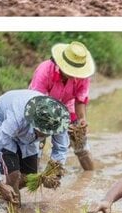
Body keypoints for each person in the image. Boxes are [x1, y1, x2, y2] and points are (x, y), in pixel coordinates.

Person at [0, 90, 70, 206]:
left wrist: (53, 173)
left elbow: (61, 149)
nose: (45, 136)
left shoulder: (58, 121)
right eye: (42, 131)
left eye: (47, 133)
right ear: (34, 123)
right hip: (0, 124)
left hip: (26, 136)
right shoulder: (16, 118)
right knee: (14, 174)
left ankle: (0, 194)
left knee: (29, 177)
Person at [29, 41, 96, 171]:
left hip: (68, 107)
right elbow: (37, 102)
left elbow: (80, 100)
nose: (74, 75)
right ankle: (32, 176)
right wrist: (58, 124)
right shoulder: (45, 70)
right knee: (36, 146)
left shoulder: (83, 76)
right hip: (42, 108)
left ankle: (89, 176)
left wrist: (81, 122)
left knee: (81, 145)